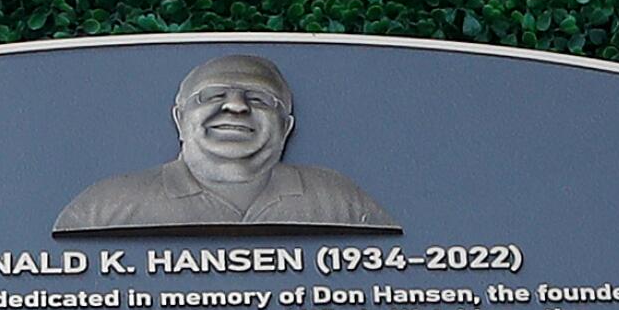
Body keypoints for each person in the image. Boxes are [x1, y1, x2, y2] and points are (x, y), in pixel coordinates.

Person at [53, 54, 399, 234]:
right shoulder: (106, 209)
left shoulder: (340, 203)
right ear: (180, 119)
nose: (236, 106)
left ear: (286, 126)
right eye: (214, 95)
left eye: (259, 99)